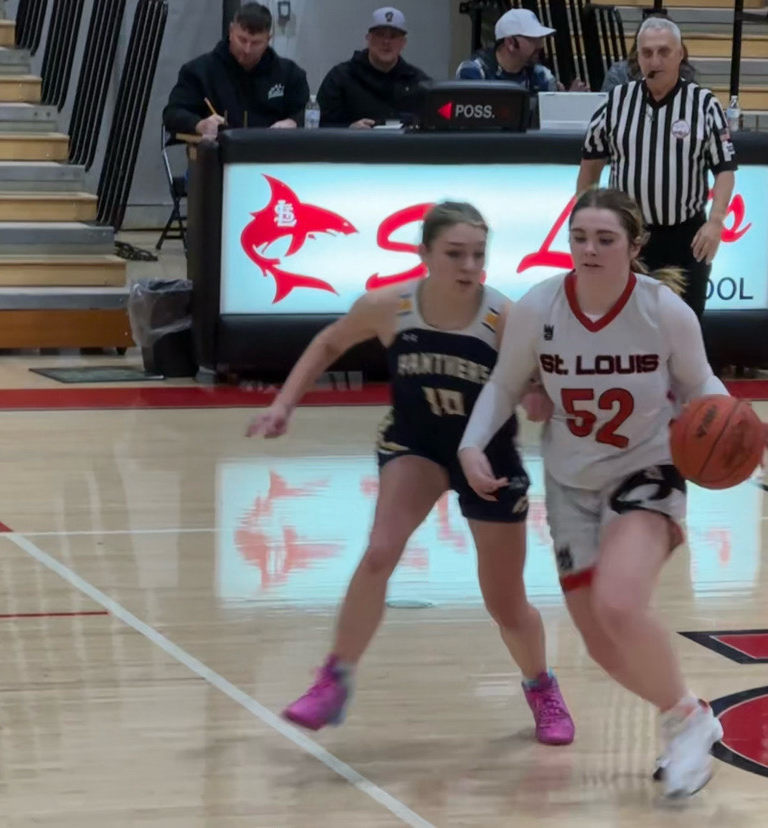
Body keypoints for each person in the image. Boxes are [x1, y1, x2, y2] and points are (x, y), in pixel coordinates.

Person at [456, 188, 768, 799]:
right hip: (571, 482)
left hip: (648, 469)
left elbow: (701, 383)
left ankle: (685, 727)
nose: (589, 249)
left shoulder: (664, 310)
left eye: (605, 239)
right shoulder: (539, 306)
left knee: (618, 603)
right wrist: (471, 446)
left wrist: (739, 421)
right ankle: (689, 713)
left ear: (634, 247)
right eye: (579, 238)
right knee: (604, 647)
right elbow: (504, 385)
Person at [246, 202, 575, 746]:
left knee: (504, 600)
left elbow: (539, 385)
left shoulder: (504, 317)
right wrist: (285, 404)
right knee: (380, 551)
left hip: (487, 460)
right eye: (454, 253)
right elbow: (329, 341)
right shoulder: (390, 306)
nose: (469, 265)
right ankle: (334, 678)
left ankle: (541, 685)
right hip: (414, 446)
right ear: (423, 254)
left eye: (478, 254)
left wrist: (539, 398)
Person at [578, 16, 736, 322]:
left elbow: (725, 170)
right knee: (621, 325)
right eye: (647, 52)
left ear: (680, 55)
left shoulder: (703, 104)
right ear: (637, 58)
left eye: (664, 52)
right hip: (626, 236)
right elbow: (589, 170)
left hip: (684, 236)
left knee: (683, 327)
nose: (655, 60)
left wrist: (716, 222)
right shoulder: (616, 102)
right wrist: (586, 225)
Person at [163, 2, 308, 139]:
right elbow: (172, 114)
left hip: (272, 157)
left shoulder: (290, 74)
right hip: (215, 158)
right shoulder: (199, 71)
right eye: (242, 40)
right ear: (231, 31)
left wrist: (293, 122)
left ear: (268, 39)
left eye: (256, 43)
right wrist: (200, 125)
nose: (247, 49)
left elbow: (308, 113)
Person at [316, 7, 430, 129]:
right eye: (380, 35)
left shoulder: (419, 83)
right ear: (368, 39)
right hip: (354, 147)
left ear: (403, 42)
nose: (386, 42)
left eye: (393, 36)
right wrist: (348, 130)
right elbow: (318, 127)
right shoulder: (340, 79)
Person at [455, 8, 588, 94]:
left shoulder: (541, 76)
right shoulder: (475, 72)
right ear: (511, 43)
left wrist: (569, 102)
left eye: (540, 39)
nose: (541, 45)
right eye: (533, 39)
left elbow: (552, 122)